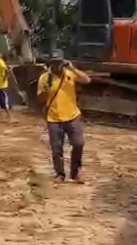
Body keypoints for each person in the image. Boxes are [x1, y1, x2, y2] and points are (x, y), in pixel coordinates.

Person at [37, 50, 91, 184]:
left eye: (60, 62)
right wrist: (46, 89)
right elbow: (41, 99)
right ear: (51, 64)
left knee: (79, 143)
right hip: (54, 118)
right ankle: (59, 174)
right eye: (55, 62)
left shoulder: (70, 74)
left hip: (72, 115)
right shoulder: (45, 78)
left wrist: (72, 67)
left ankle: (75, 173)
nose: (57, 65)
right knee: (57, 148)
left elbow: (87, 80)